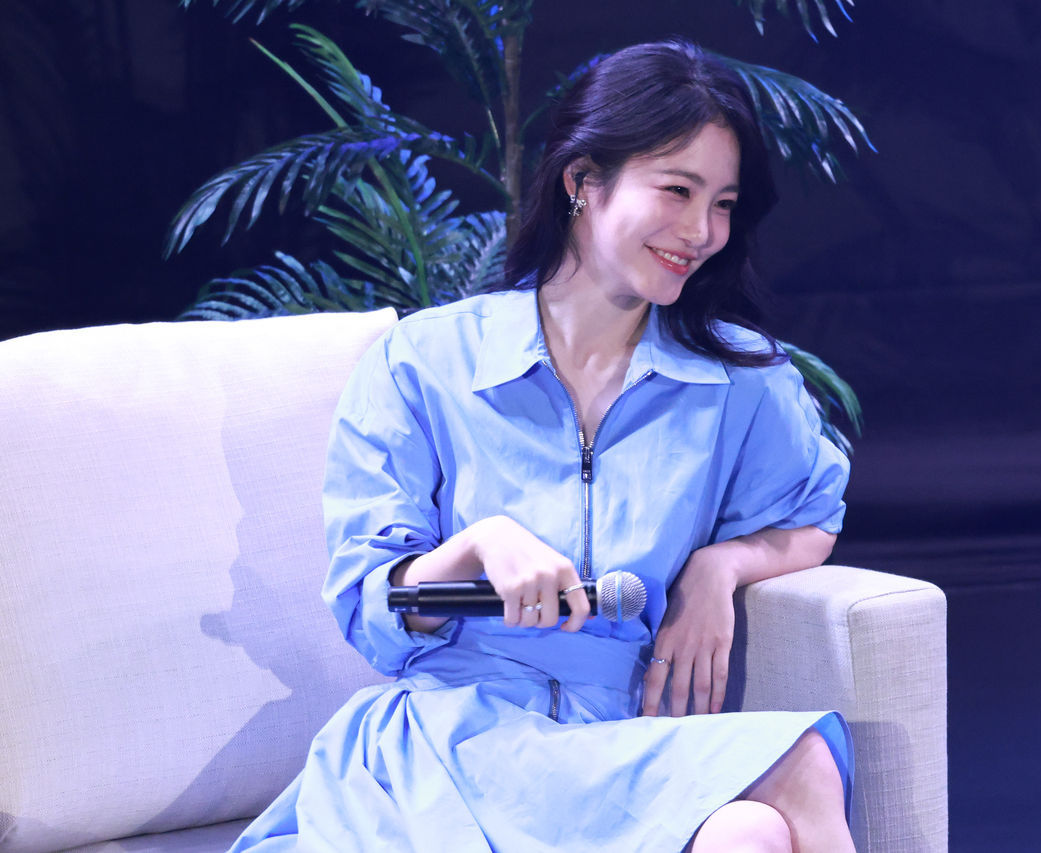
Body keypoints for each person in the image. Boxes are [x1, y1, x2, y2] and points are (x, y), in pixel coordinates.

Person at [229, 39, 855, 853]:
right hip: (449, 745)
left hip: (616, 751)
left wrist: (720, 567)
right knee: (790, 774)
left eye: (724, 203)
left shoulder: (739, 380)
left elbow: (813, 514)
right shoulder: (425, 361)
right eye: (677, 189)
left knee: (755, 825)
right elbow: (368, 604)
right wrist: (475, 547)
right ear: (582, 181)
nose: (702, 231)